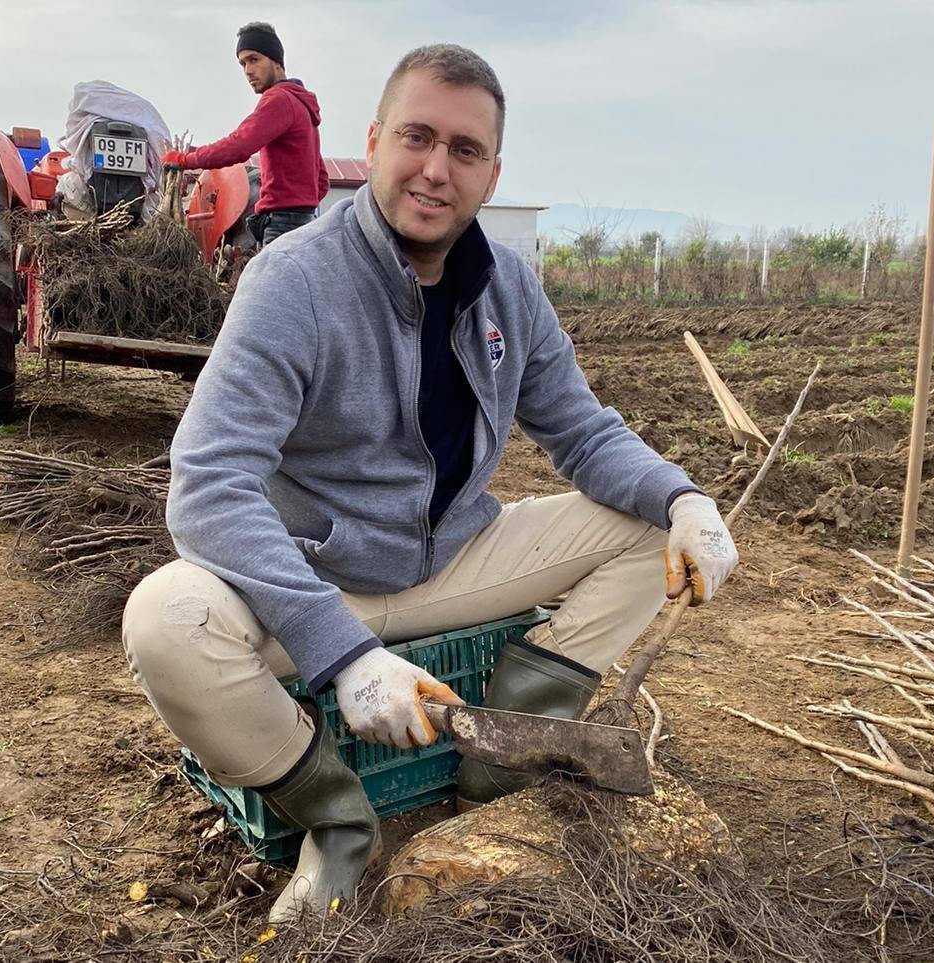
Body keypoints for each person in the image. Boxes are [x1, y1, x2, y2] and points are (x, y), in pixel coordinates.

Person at [123, 43, 739, 923]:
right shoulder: (295, 281)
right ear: (374, 141)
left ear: (493, 172)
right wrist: (342, 652)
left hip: (452, 562)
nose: (435, 169)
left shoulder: (509, 291)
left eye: (465, 150)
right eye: (416, 137)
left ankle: (499, 763)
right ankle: (337, 823)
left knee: (644, 528)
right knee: (165, 616)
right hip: (315, 579)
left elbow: (583, 430)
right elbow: (210, 484)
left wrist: (684, 498)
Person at [162, 22, 329, 245]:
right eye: (242, 64)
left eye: (254, 59)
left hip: (280, 226)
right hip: (301, 222)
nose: (248, 71)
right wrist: (300, 209)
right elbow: (322, 180)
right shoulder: (302, 105)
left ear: (276, 61)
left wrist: (185, 160)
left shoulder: (279, 100)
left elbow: (238, 145)